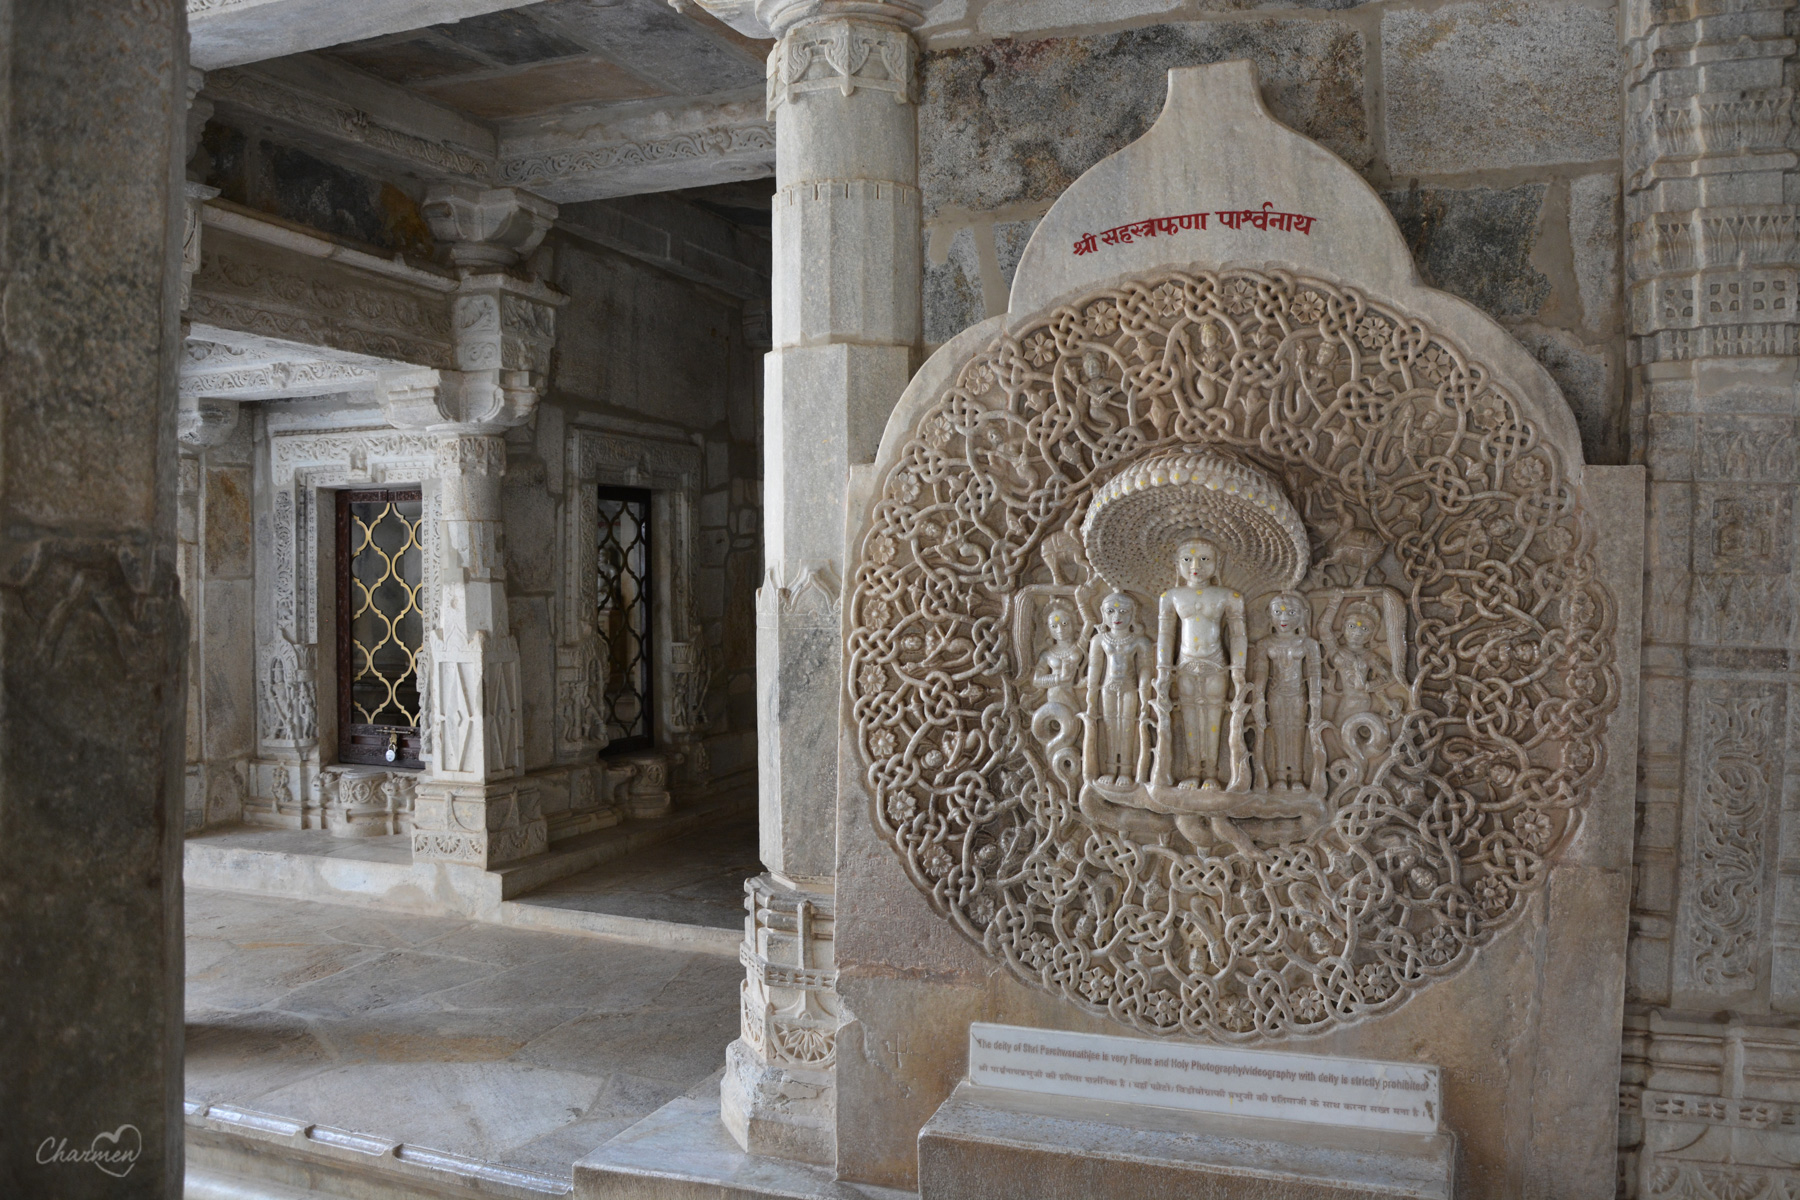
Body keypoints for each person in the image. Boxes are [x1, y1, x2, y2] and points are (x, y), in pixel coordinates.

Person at [1156, 540, 1246, 786]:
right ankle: (1193, 770)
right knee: (1190, 716)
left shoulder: (1229, 596)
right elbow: (1166, 634)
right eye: (1187, 560)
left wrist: (1239, 669)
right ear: (1177, 565)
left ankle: (1211, 774)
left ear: (1218, 564)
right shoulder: (1171, 596)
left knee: (1214, 715)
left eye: (1205, 559)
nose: (1195, 566)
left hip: (1216, 662)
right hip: (1185, 663)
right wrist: (1163, 668)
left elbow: (1238, 635)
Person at [1084, 593, 1153, 784]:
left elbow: (1146, 668)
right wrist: (1091, 694)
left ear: (1132, 614)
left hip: (1130, 687)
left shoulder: (1139, 641)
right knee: (1110, 726)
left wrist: (1144, 689)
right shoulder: (1099, 640)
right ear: (1103, 615)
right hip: (1108, 688)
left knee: (1127, 726)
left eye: (1123, 612)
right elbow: (1095, 668)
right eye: (1111, 611)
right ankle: (1110, 768)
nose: (1117, 617)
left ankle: (1125, 770)